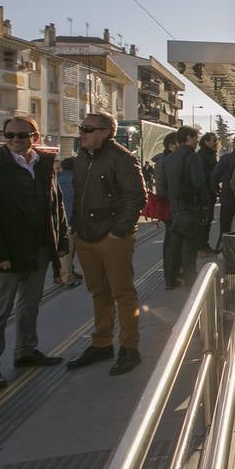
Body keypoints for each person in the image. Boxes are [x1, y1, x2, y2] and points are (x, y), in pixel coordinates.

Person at [0, 115, 69, 389]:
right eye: (10, 135)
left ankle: (25, 350)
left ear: (34, 138)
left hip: (38, 247)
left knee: (29, 304)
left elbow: (56, 205)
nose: (15, 140)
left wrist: (60, 244)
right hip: (7, 251)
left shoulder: (44, 164)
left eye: (22, 135)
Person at [67, 112, 147, 376]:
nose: (82, 132)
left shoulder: (122, 158)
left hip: (111, 238)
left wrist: (118, 232)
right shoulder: (82, 159)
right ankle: (102, 343)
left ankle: (129, 348)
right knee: (98, 291)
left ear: (105, 131)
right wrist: (76, 231)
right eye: (82, 128)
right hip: (86, 236)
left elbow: (137, 196)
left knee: (122, 293)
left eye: (88, 128)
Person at [160, 125, 208, 289]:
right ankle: (190, 280)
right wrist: (205, 203)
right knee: (190, 246)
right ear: (188, 138)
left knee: (174, 245)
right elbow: (198, 183)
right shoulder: (192, 157)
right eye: (195, 138)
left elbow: (163, 186)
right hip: (190, 207)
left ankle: (170, 280)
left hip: (175, 207)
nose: (196, 142)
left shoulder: (168, 159)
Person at [211, 135, 235, 248]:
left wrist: (217, 190)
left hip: (228, 196)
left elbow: (214, 176)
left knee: (225, 226)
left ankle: (226, 249)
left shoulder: (225, 158)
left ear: (234, 144)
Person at [56, 157, 82, 286]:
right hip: (73, 220)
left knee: (65, 249)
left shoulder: (56, 180)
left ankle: (68, 271)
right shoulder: (78, 182)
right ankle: (67, 277)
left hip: (59, 221)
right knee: (70, 250)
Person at [196, 132, 220, 253]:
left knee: (208, 219)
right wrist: (214, 174)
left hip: (210, 192)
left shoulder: (210, 154)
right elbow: (200, 174)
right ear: (206, 142)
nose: (216, 143)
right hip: (204, 193)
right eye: (214, 141)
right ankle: (201, 246)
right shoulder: (202, 155)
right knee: (204, 220)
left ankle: (204, 244)